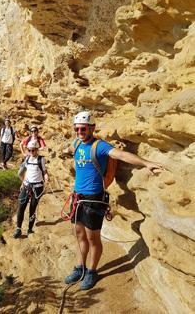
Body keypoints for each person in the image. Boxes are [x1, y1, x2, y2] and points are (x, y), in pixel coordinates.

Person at [64, 110, 164, 290]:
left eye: (83, 128)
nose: (80, 131)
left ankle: (92, 271)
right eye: (77, 128)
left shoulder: (100, 146)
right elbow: (70, 149)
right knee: (79, 234)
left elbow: (122, 155)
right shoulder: (77, 143)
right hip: (78, 197)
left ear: (92, 128)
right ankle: (80, 267)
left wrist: (146, 163)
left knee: (92, 237)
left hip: (94, 198)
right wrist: (64, 150)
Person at [13, 140, 49, 238]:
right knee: (21, 207)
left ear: (37, 150)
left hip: (37, 187)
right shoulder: (27, 159)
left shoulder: (41, 159)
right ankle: (18, 229)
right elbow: (21, 173)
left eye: (33, 150)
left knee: (32, 208)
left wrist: (46, 178)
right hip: (27, 185)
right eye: (29, 150)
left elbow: (45, 171)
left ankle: (29, 229)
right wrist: (23, 182)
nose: (31, 152)